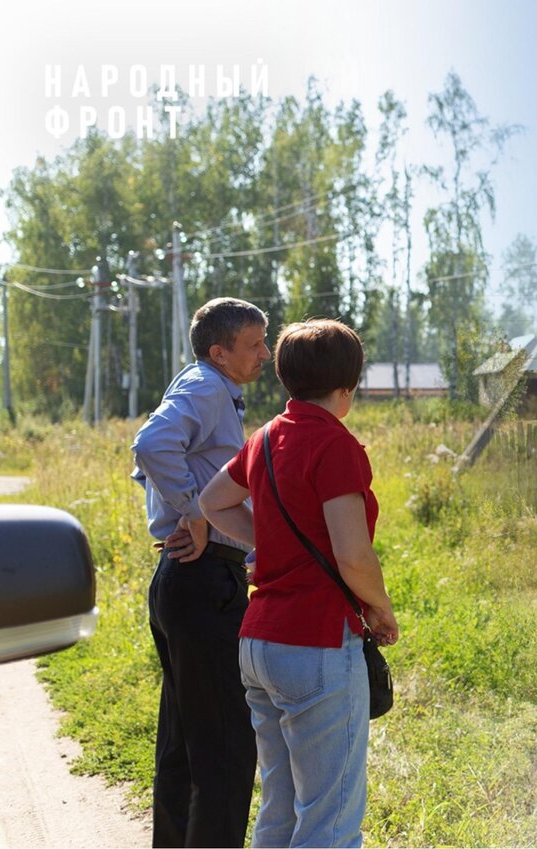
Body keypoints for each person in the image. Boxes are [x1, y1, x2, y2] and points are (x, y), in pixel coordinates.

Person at [199, 318, 399, 848]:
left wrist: (263, 543)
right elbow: (353, 556)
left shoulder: (265, 438)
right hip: (314, 644)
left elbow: (212, 502)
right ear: (348, 384)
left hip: (259, 642)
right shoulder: (335, 445)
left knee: (281, 810)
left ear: (287, 379)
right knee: (329, 822)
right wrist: (380, 610)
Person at [130, 297, 270, 848]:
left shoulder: (206, 387)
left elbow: (154, 460)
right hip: (202, 579)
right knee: (226, 749)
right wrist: (194, 511)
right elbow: (151, 445)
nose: (265, 353)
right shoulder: (207, 386)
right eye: (255, 344)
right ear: (220, 351)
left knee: (186, 746)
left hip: (187, 577)